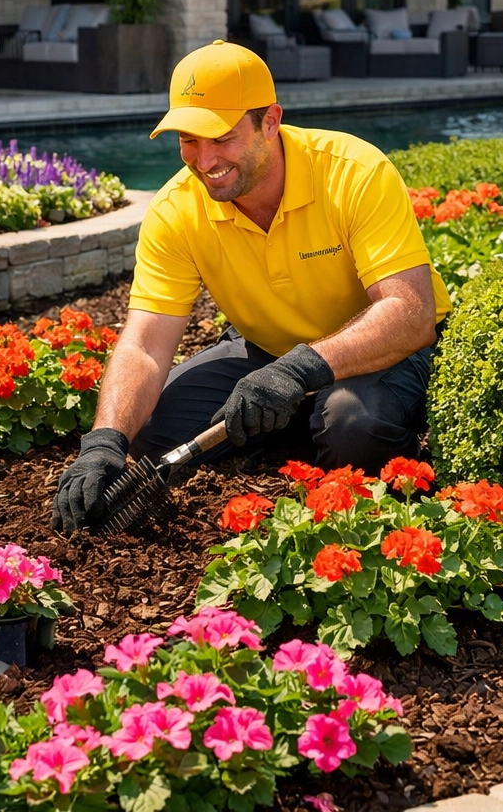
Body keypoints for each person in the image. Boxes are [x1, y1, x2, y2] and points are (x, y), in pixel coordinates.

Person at [52, 41, 452, 532]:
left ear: (270, 121)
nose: (204, 159)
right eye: (189, 140)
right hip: (270, 354)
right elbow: (145, 344)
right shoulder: (176, 209)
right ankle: (304, 421)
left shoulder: (354, 171)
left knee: (352, 426)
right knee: (149, 429)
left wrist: (299, 371)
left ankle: (333, 426)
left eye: (221, 137)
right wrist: (104, 441)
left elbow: (409, 312)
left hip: (387, 350)